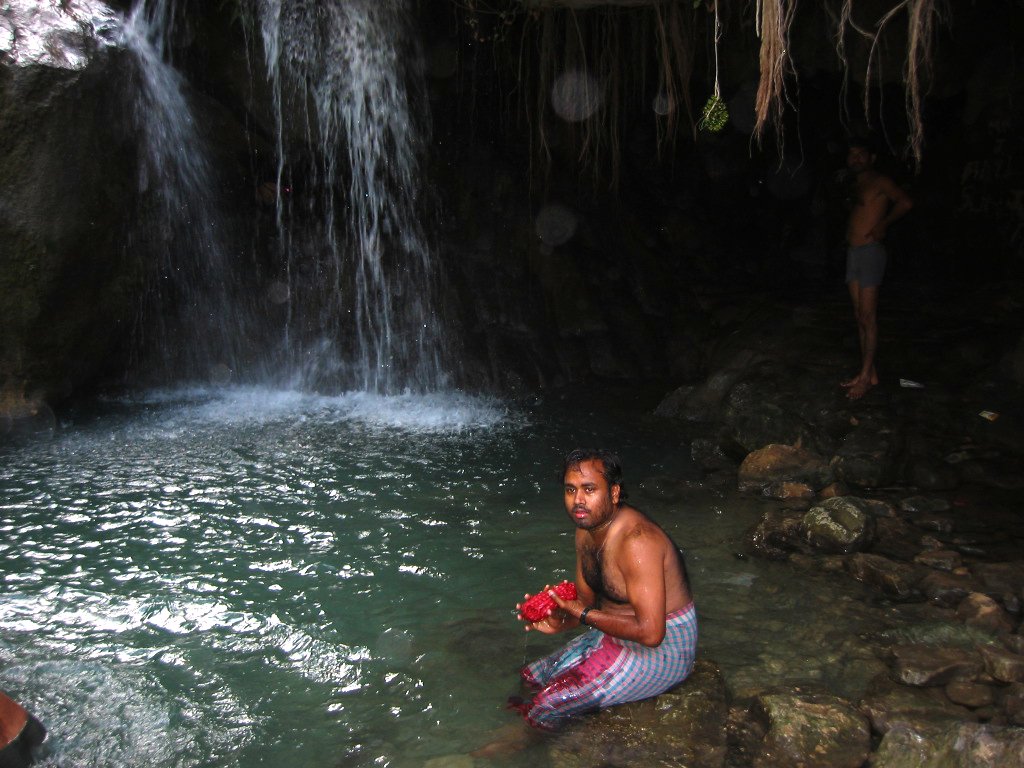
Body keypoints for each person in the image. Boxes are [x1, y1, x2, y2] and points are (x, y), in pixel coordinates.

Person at [512, 448, 697, 730]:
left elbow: (651, 633)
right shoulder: (585, 531)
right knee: (531, 677)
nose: (578, 500)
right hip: (614, 633)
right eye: (570, 490)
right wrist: (558, 621)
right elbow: (585, 603)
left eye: (589, 489)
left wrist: (583, 614)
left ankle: (497, 752)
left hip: (667, 647)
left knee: (547, 706)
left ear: (613, 493)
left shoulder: (637, 541)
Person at [842, 137, 913, 400]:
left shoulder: (880, 181)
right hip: (854, 253)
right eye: (852, 154)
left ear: (871, 158)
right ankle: (868, 373)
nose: (856, 158)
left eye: (861, 154)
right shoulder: (854, 184)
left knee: (868, 317)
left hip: (870, 252)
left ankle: (865, 377)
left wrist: (884, 224)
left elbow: (905, 202)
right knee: (860, 315)